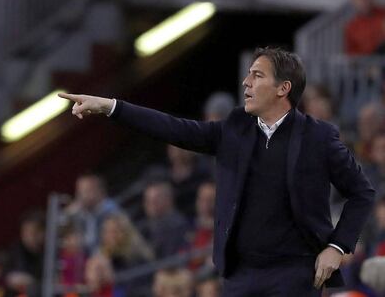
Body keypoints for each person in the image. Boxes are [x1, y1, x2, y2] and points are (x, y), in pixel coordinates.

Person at [58, 46, 375, 296]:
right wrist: (112, 107)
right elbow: (174, 129)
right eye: (248, 75)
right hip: (239, 276)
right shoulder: (234, 128)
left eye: (257, 76)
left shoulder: (318, 137)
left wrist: (336, 247)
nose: (246, 82)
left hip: (294, 274)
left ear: (283, 88)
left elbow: (361, 192)